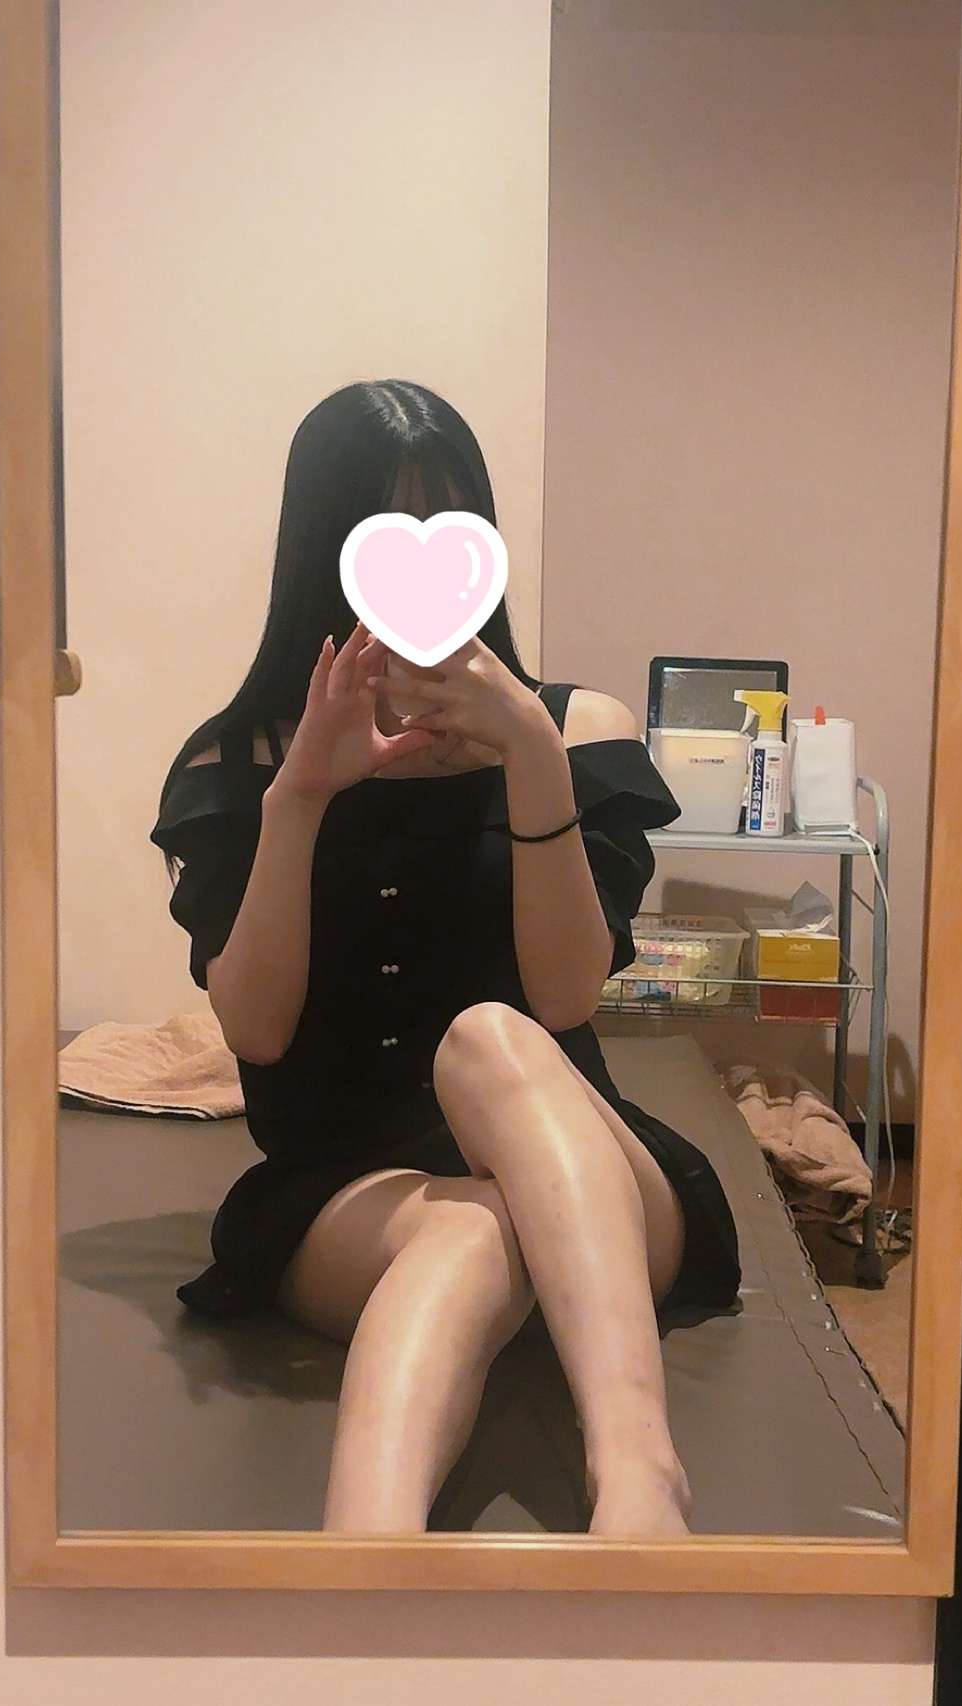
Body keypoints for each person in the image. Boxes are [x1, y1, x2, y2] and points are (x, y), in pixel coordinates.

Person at [150, 379, 740, 1537]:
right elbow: (255, 1030)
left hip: (585, 1167)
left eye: (445, 524)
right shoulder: (241, 761)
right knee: (472, 1226)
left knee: (491, 1036)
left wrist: (528, 752)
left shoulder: (574, 727)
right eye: (384, 531)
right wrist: (301, 794)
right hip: (352, 1186)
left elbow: (564, 995)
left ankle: (637, 1474)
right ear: (322, 556)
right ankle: (362, 1556)